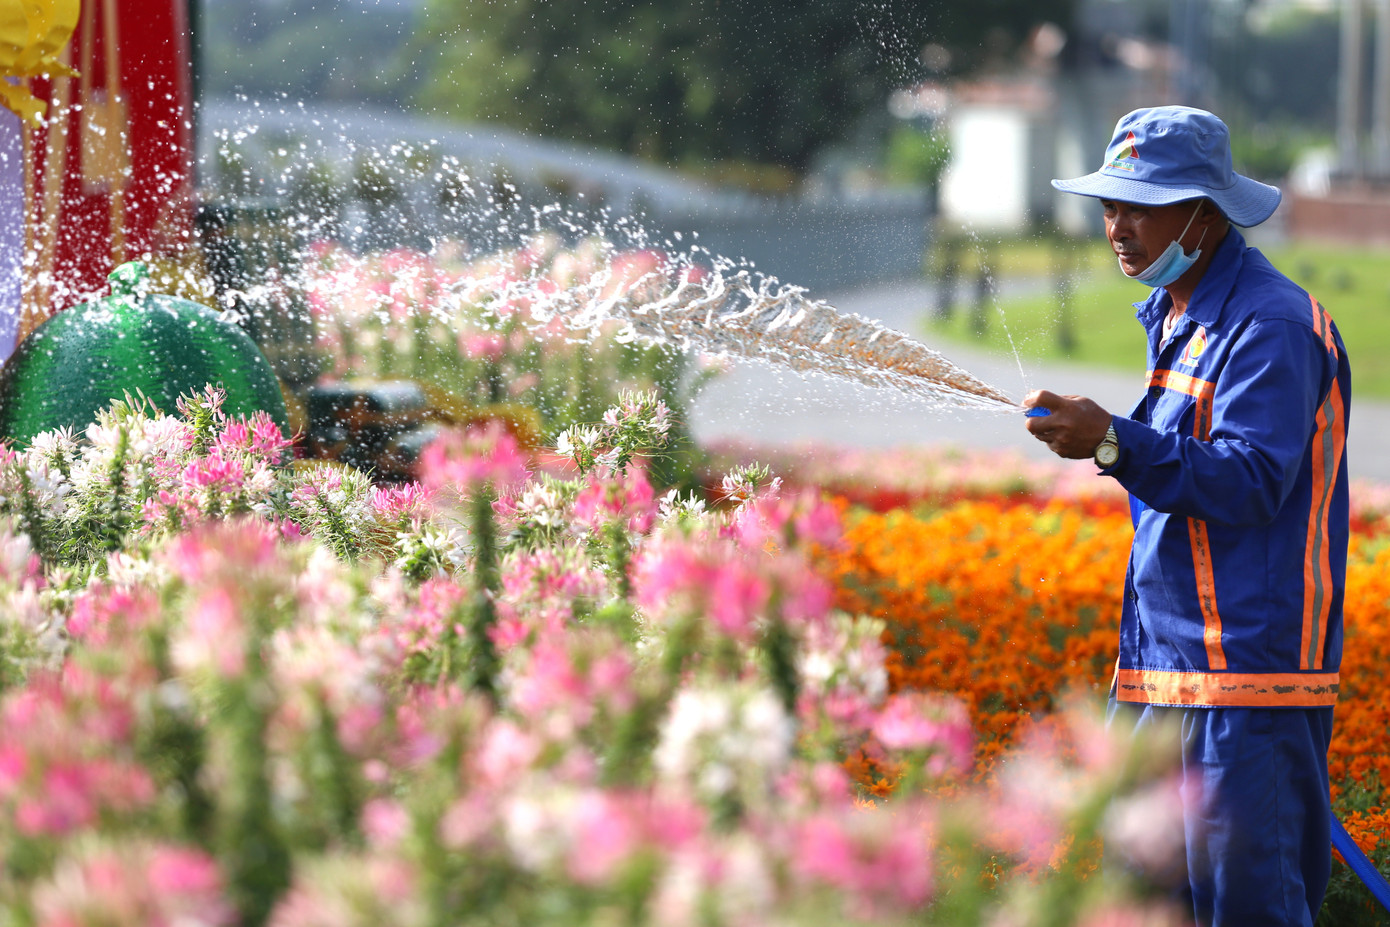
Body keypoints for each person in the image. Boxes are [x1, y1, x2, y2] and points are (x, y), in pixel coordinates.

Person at [1024, 105, 1351, 926]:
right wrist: (1109, 443)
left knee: (1246, 910)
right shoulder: (1174, 309)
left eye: (1141, 203)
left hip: (1247, 683)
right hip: (1159, 668)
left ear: (1205, 213)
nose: (1118, 225)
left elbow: (1251, 480)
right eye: (1109, 203)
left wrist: (1114, 443)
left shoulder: (1272, 325)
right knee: (1137, 904)